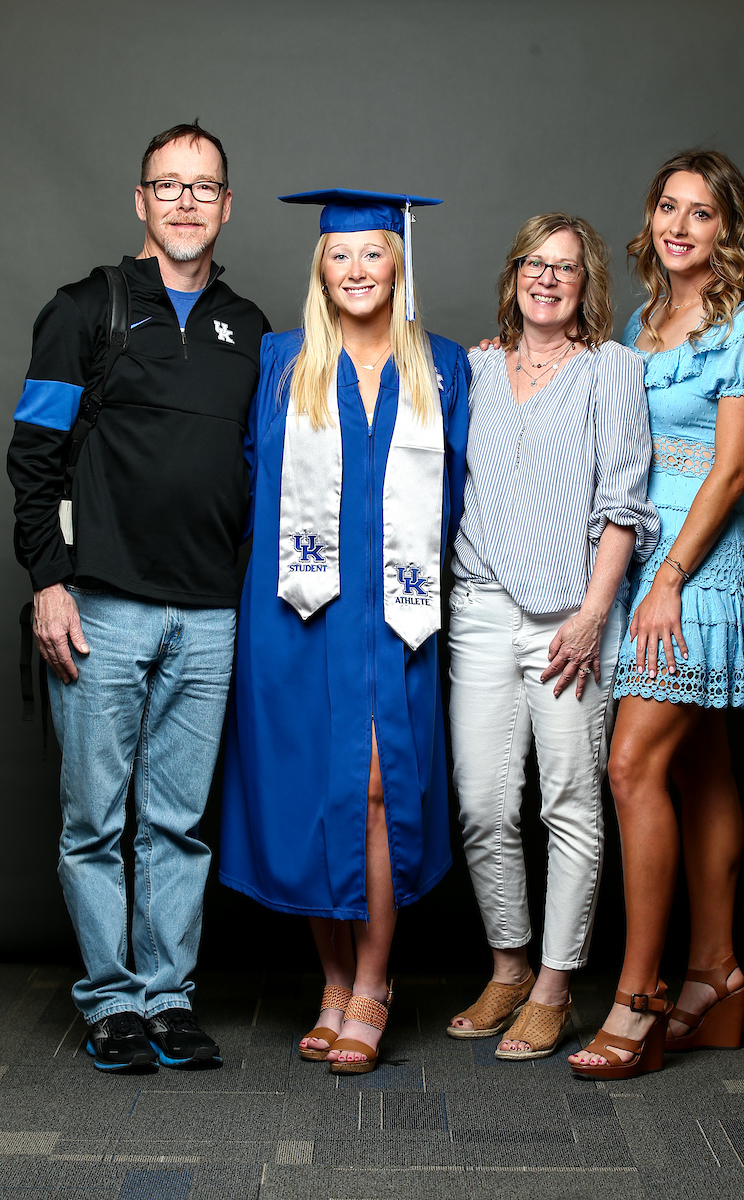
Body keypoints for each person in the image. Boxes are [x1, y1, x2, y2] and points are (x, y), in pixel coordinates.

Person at [7, 121, 269, 1071]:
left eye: (205, 187)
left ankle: (167, 1000)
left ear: (226, 204)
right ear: (141, 202)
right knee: (94, 822)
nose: (188, 201)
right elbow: (33, 458)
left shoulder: (252, 329)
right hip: (101, 607)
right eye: (170, 186)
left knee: (178, 823)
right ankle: (110, 1002)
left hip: (210, 615)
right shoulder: (84, 309)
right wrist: (47, 582)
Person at [219, 189, 469, 1074]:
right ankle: (330, 982)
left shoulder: (443, 366)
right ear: (319, 269)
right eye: (340, 256)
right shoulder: (282, 361)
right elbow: (244, 476)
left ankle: (373, 982)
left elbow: (465, 487)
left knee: (375, 791)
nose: (357, 270)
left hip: (398, 616)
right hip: (295, 613)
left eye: (373, 254)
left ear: (398, 262)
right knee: (310, 792)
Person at [569, 150, 744, 1081]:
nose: (680, 225)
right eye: (668, 206)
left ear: (727, 231)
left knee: (631, 765)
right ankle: (717, 974)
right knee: (698, 767)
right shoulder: (643, 321)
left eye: (702, 213)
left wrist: (668, 580)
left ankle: (641, 995)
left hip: (697, 568)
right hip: (643, 563)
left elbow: (734, 471)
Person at [445, 214, 658, 1059]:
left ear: (586, 285)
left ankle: (555, 986)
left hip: (569, 617)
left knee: (568, 803)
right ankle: (507, 966)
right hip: (479, 608)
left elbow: (623, 503)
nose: (547, 278)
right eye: (535, 263)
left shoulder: (612, 369)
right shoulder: (475, 367)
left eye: (565, 268)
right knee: (484, 804)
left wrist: (593, 614)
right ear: (514, 275)